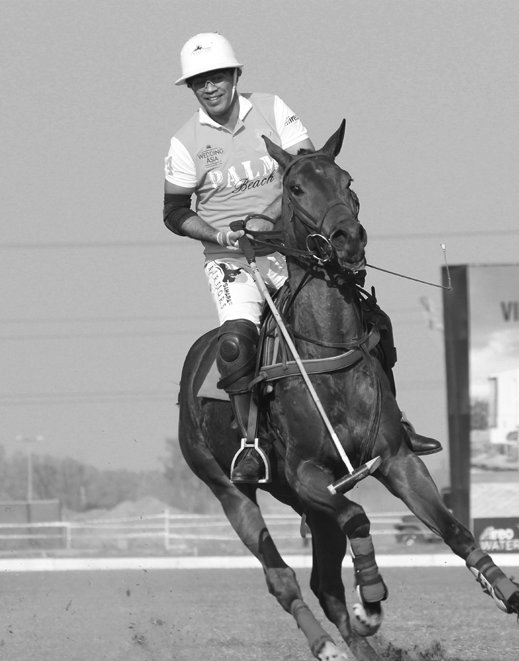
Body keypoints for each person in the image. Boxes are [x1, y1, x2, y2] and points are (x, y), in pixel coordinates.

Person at [163, 33, 439, 485]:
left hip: (294, 250)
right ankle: (251, 445)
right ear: (191, 89)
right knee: (237, 344)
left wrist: (268, 221)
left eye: (216, 76)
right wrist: (220, 234)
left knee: (371, 322)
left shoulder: (272, 110)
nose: (209, 87)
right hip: (233, 263)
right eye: (198, 82)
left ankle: (396, 422)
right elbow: (174, 213)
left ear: (235, 76)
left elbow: (306, 169)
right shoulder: (184, 143)